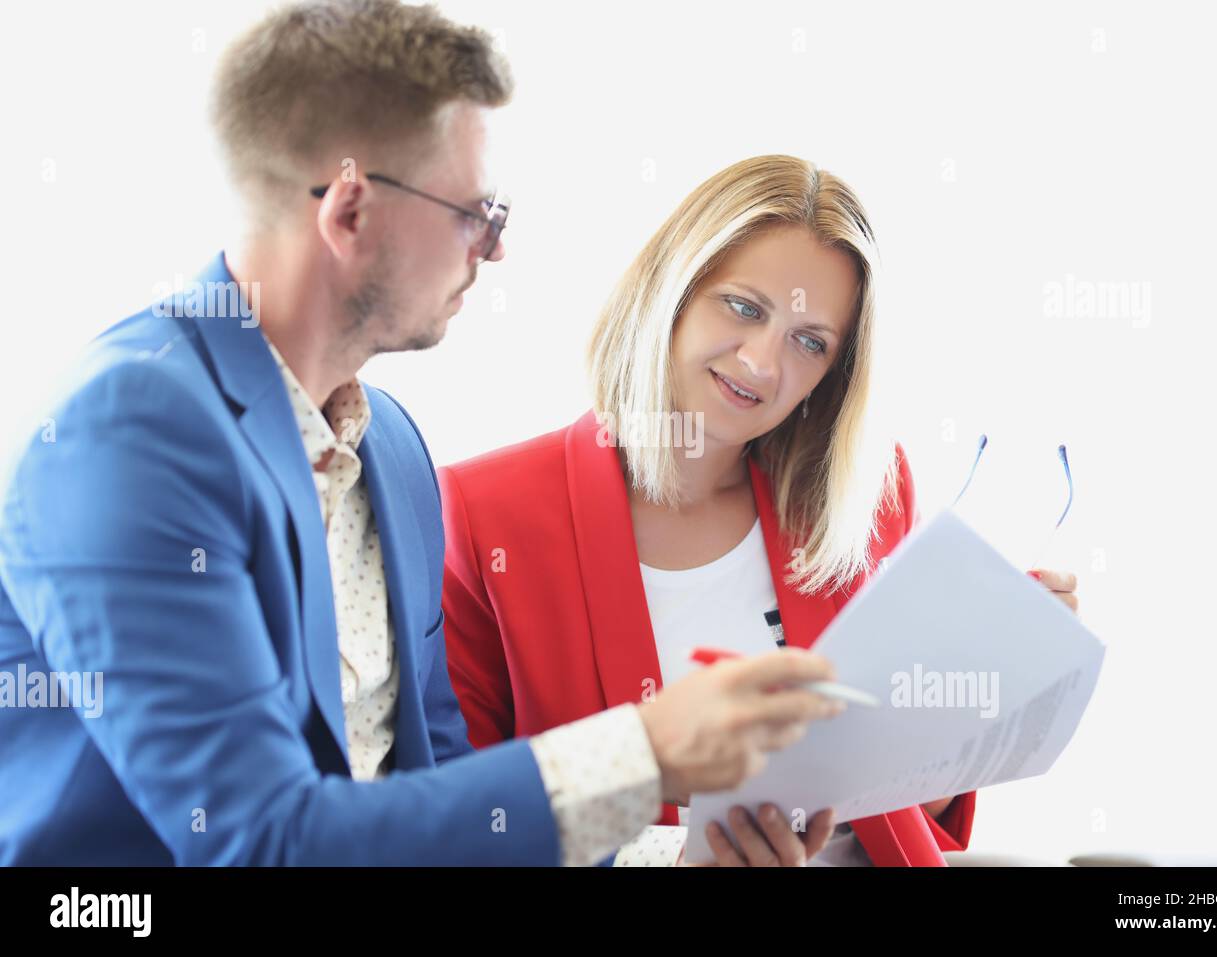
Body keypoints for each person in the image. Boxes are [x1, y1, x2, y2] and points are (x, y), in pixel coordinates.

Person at [0, 0, 844, 866]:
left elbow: (439, 795)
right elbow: (259, 842)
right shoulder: (127, 436)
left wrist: (682, 858)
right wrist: (647, 749)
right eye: (477, 210)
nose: (495, 247)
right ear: (352, 211)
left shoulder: (391, 449)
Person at [440, 154, 1082, 865]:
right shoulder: (480, 512)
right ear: (672, 288)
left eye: (810, 342)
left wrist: (994, 678)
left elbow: (899, 802)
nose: (762, 364)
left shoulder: (867, 492)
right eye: (744, 307)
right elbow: (468, 828)